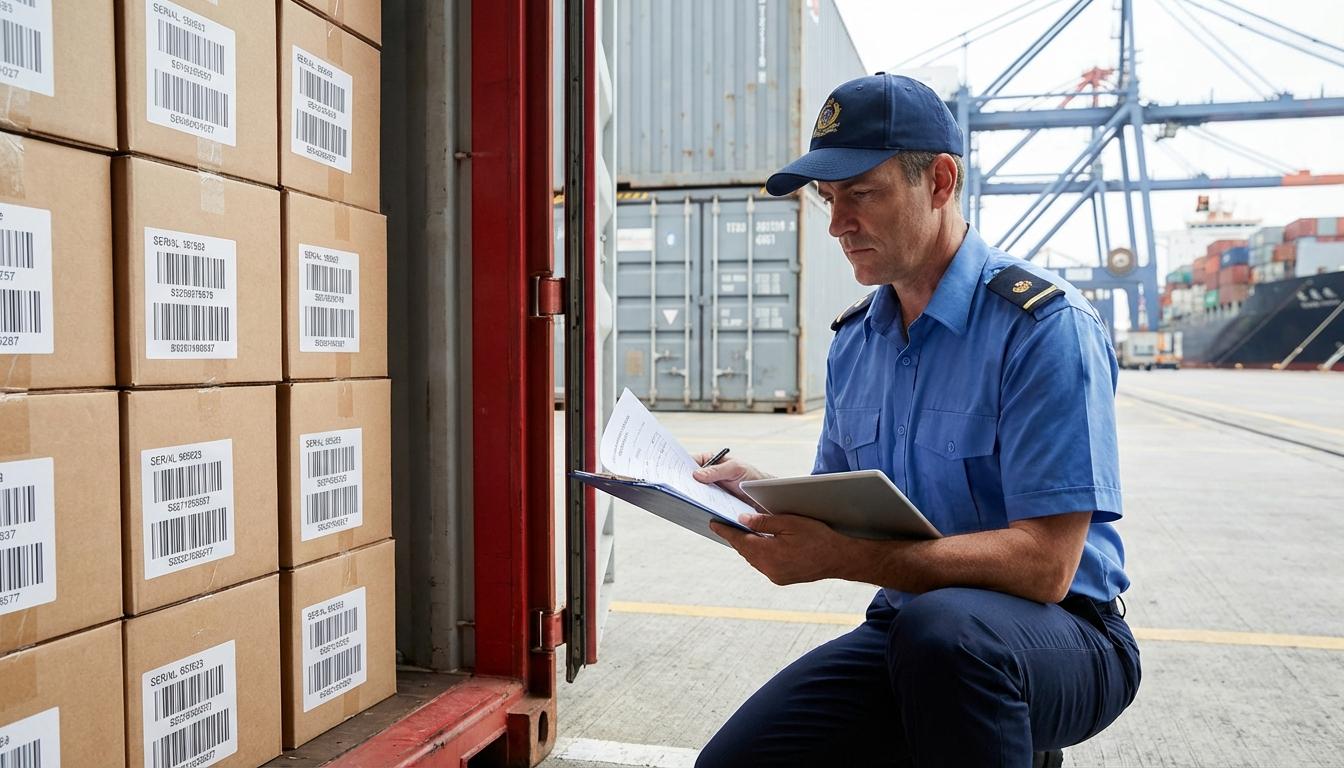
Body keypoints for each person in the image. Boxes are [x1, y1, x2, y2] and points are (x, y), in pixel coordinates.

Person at [690, 73, 1141, 768]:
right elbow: (844, 507)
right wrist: (755, 493)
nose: (838, 224)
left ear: (939, 181)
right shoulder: (856, 343)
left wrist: (845, 558)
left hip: (1065, 637)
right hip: (913, 628)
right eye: (830, 199)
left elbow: (1046, 566)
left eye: (861, 194)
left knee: (948, 638)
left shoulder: (1044, 329)